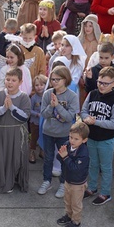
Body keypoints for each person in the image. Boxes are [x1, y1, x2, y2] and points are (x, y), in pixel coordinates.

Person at [81, 67, 114, 206]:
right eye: (99, 82)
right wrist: (86, 117)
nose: (101, 85)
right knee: (92, 164)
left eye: (106, 83)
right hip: (91, 137)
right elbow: (84, 110)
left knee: (105, 167)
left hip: (106, 140)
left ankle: (105, 193)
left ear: (113, 83)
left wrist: (96, 122)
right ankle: (92, 187)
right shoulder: (92, 94)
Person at [0, 67, 31, 193]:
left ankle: (10, 180)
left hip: (15, 134)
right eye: (8, 79)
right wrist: (3, 109)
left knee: (13, 158)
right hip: (0, 133)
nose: (10, 83)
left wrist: (12, 107)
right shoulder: (0, 94)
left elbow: (25, 116)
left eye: (14, 80)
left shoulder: (24, 97)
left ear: (20, 82)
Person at [38, 66, 79, 196]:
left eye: (57, 79)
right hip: (48, 132)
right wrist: (51, 105)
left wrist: (58, 106)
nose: (54, 82)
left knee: (64, 159)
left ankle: (63, 183)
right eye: (52, 79)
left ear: (65, 79)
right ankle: (46, 180)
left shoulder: (72, 96)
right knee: (48, 158)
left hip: (64, 134)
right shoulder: (47, 94)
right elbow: (44, 114)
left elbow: (69, 117)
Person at [56, 122, 90, 227]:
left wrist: (65, 157)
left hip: (78, 183)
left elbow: (75, 168)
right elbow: (59, 157)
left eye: (76, 139)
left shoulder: (83, 153)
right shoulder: (68, 145)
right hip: (68, 179)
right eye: (71, 137)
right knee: (67, 200)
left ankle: (76, 222)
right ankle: (69, 215)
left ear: (84, 140)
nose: (72, 141)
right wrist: (61, 154)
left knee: (76, 204)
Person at [29, 74, 47, 163]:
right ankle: (32, 152)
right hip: (35, 122)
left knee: (43, 137)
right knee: (34, 137)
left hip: (44, 123)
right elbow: (29, 110)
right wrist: (37, 114)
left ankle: (42, 151)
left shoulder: (47, 96)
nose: (39, 87)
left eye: (41, 85)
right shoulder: (33, 98)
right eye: (36, 85)